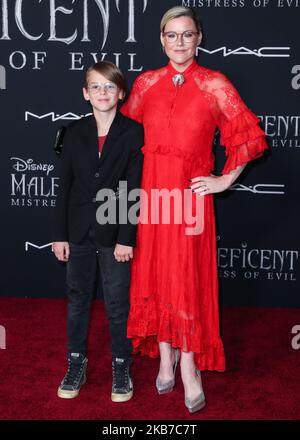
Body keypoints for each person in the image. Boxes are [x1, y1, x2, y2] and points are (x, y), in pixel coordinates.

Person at [121, 6, 268, 413]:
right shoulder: (146, 83)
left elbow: (246, 135)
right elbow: (123, 136)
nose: (179, 42)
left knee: (184, 278)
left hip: (188, 198)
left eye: (187, 34)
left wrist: (224, 179)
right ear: (161, 39)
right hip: (151, 198)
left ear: (199, 38)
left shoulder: (215, 84)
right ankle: (164, 357)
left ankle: (189, 366)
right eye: (172, 35)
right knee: (153, 275)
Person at [52, 61, 144, 402]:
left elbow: (133, 189)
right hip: (76, 232)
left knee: (118, 303)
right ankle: (76, 363)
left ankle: (122, 364)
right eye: (95, 86)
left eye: (109, 87)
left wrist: (125, 237)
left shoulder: (134, 133)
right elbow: (64, 187)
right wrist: (60, 234)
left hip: (114, 234)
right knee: (77, 300)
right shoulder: (73, 132)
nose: (102, 93)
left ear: (120, 92)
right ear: (85, 93)